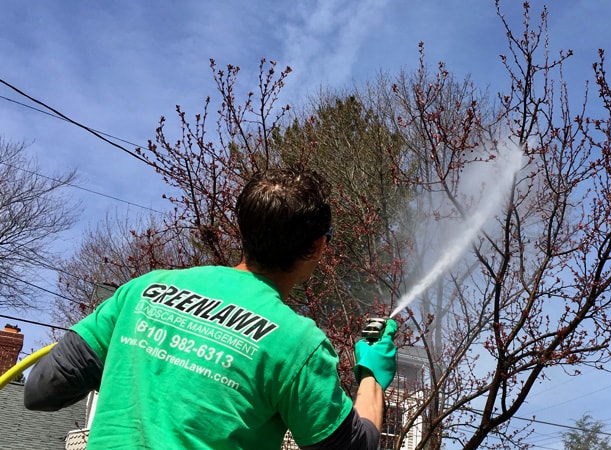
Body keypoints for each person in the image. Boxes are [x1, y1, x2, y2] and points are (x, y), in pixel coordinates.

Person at [24, 168, 398, 450]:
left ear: (243, 229)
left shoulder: (144, 290)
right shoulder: (298, 345)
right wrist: (371, 378)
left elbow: (40, 390)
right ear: (317, 246)